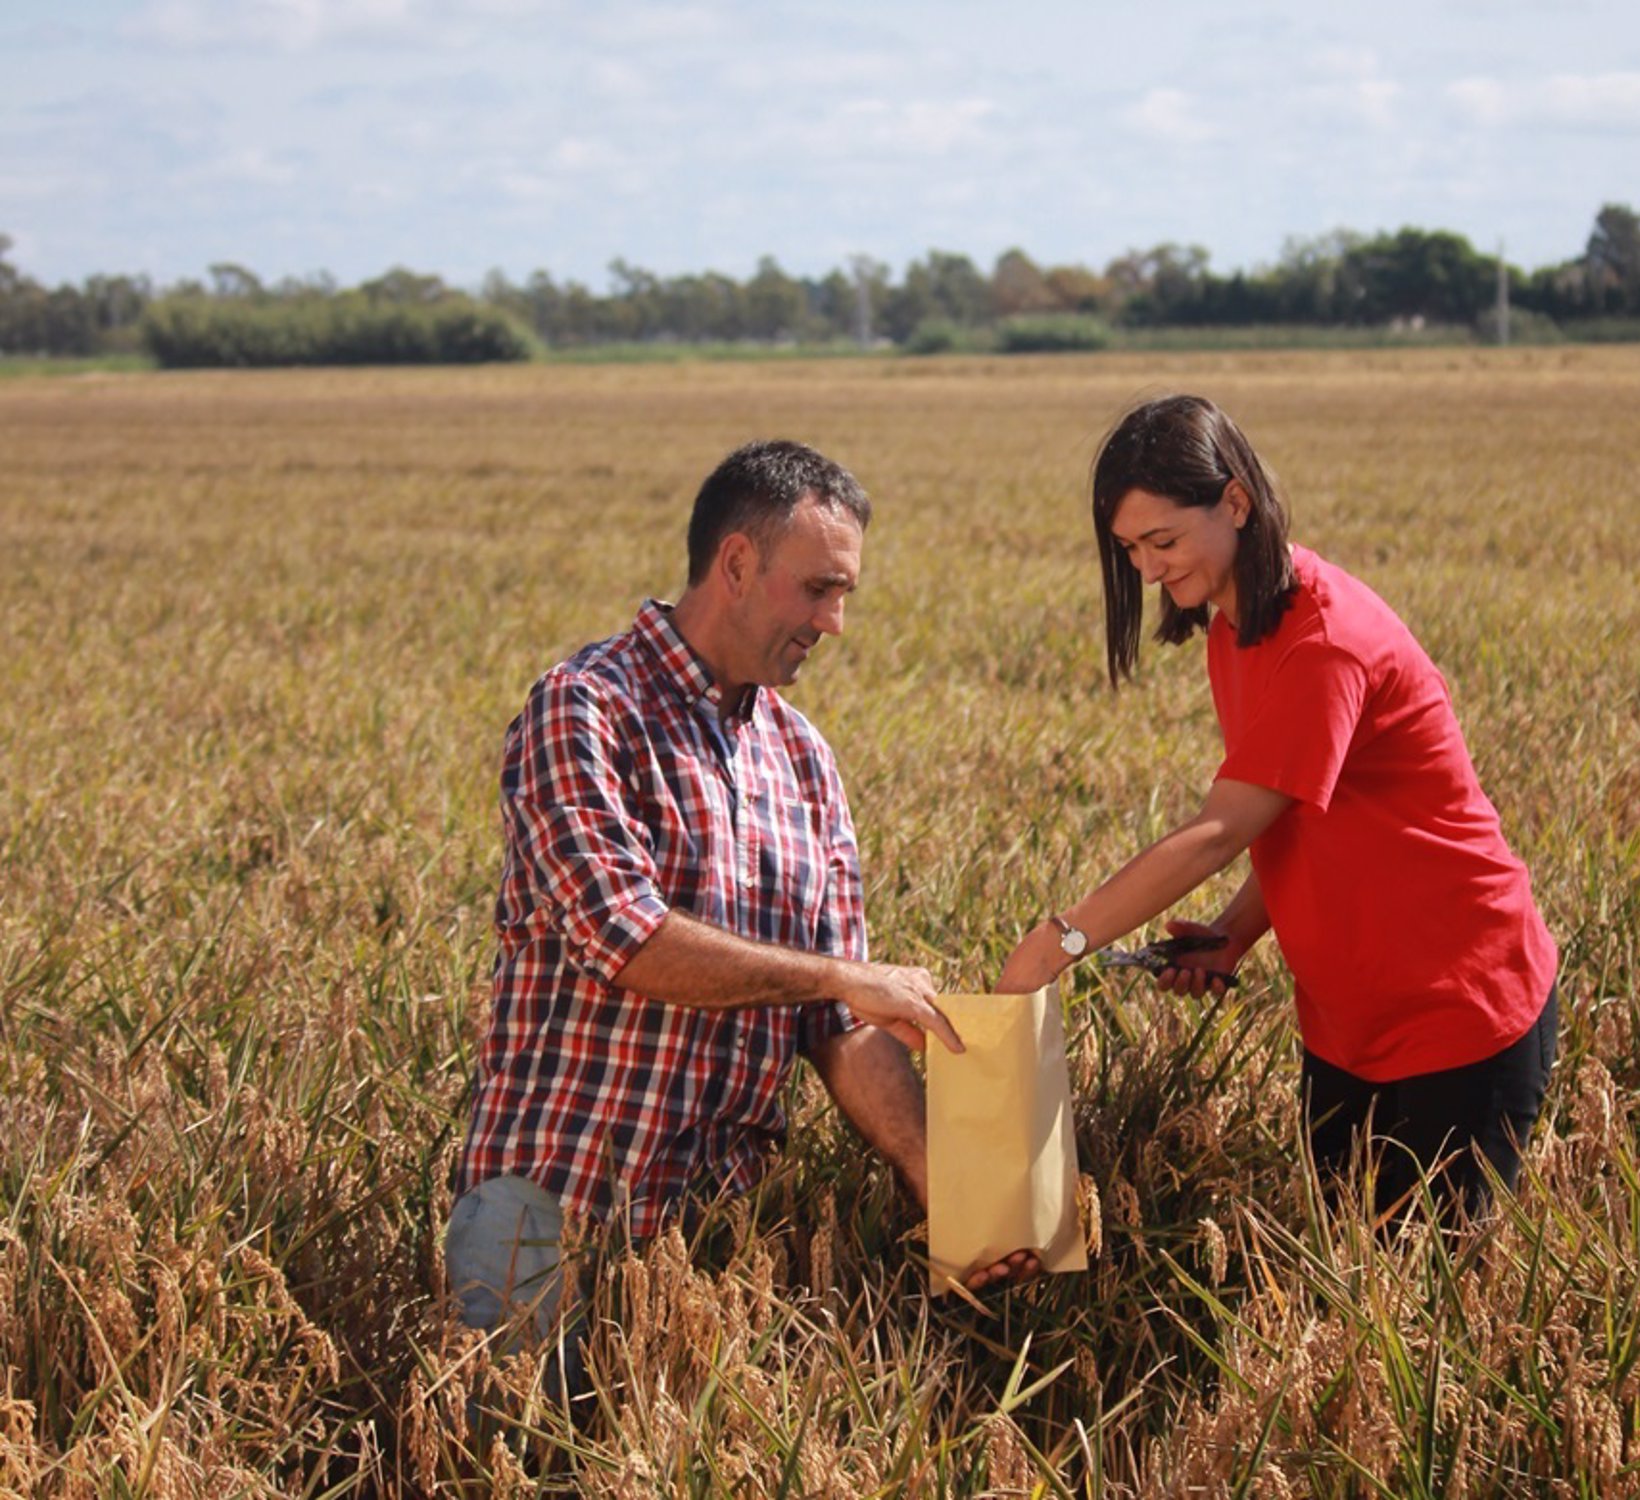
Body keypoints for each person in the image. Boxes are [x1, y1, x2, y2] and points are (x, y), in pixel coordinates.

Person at [448, 440, 1026, 1380]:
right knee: (509, 1467)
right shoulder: (586, 709)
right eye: (818, 589)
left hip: (710, 1237)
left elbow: (843, 1024)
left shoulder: (802, 760)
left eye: (846, 595)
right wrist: (841, 977)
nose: (834, 622)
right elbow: (623, 938)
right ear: (738, 564)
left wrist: (939, 1176)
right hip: (552, 1211)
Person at [993, 395, 1559, 1229]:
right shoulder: (1237, 624)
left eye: (1162, 541)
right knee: (1346, 1265)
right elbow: (1291, 816)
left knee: (1425, 1302)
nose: (1147, 570)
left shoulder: (1323, 641)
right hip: (1345, 1020)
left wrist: (1059, 942)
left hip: (1456, 1010)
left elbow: (1219, 831)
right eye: (1128, 549)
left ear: (1235, 502)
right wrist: (1235, 934)